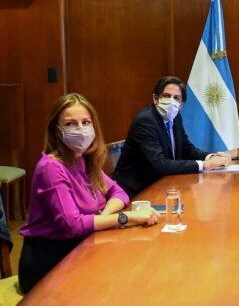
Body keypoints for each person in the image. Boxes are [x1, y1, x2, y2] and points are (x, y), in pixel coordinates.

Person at [19, 93, 159, 294]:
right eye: (70, 124)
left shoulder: (83, 159)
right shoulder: (51, 167)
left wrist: (104, 216)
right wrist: (125, 217)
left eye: (85, 122)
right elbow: (72, 225)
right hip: (48, 265)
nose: (80, 129)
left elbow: (119, 192)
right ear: (56, 131)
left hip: (80, 249)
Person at [113, 76, 230, 197]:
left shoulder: (176, 117)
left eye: (176, 98)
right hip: (135, 192)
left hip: (162, 185)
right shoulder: (145, 121)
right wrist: (204, 165)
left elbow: (187, 149)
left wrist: (211, 157)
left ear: (181, 105)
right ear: (156, 99)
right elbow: (161, 164)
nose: (171, 101)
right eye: (166, 96)